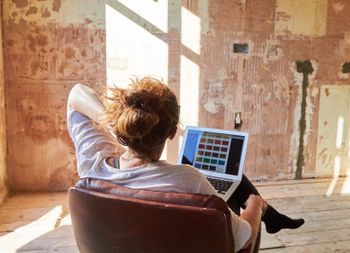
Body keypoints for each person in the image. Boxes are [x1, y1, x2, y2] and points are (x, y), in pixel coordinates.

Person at [66, 77, 304, 252]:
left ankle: (273, 218)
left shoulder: (92, 163)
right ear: (171, 133)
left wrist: (115, 125)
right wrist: (254, 205)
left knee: (235, 180)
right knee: (240, 191)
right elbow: (243, 238)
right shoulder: (187, 179)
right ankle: (268, 214)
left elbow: (76, 94)